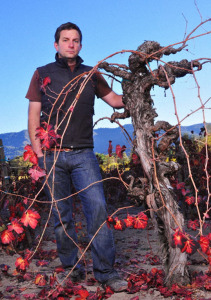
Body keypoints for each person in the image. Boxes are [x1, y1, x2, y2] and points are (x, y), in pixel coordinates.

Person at [26, 22, 128, 292]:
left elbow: (115, 101)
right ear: (56, 44)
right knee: (62, 218)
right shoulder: (41, 74)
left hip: (84, 155)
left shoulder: (91, 74)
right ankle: (73, 269)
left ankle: (106, 272)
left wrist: (139, 89)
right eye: (66, 39)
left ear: (80, 45)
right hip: (52, 156)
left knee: (97, 209)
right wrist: (38, 153)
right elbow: (34, 115)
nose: (71, 44)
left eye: (76, 40)